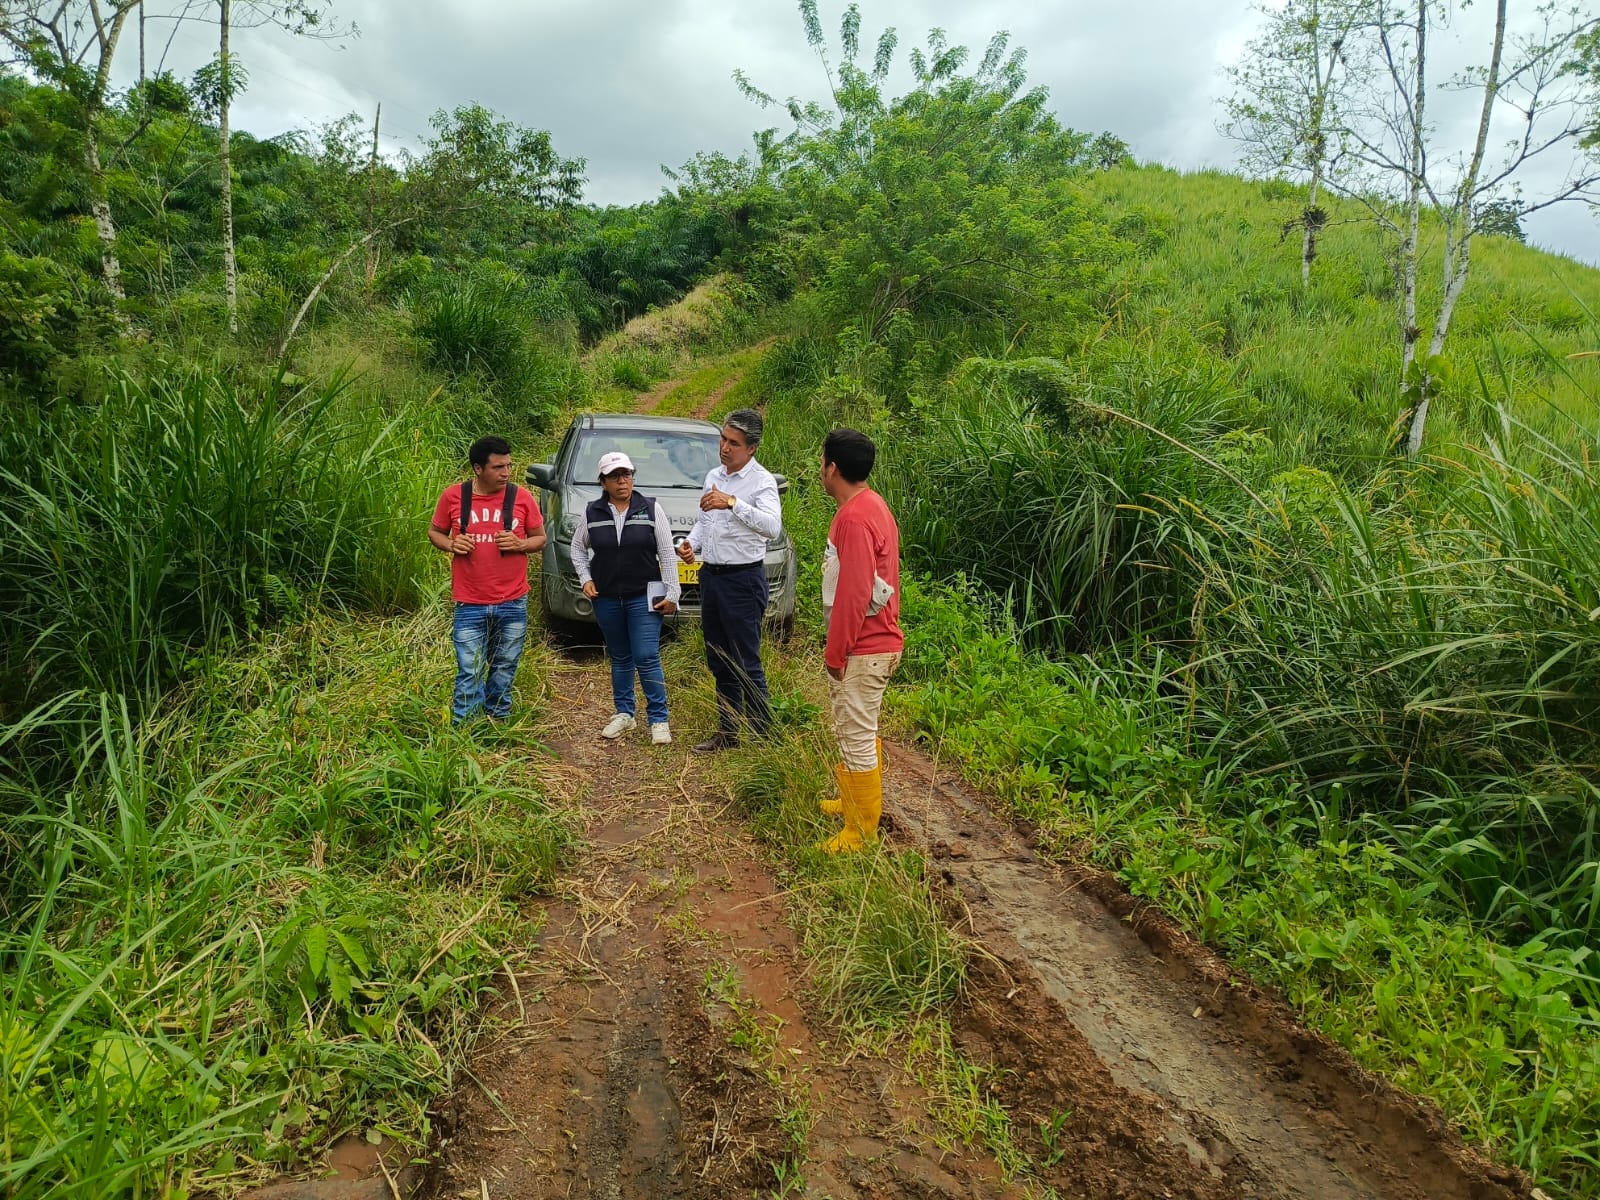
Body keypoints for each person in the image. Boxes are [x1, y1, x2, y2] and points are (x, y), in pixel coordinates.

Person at [816, 427, 902, 853]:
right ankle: (852, 802)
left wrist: (836, 652)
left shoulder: (853, 517)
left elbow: (853, 592)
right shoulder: (871, 505)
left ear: (832, 468)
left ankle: (860, 830)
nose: (820, 468)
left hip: (864, 646)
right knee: (856, 729)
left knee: (856, 733)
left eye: (822, 461)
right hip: (873, 641)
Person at [676, 408, 783, 752]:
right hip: (712, 577)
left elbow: (772, 526)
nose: (724, 447)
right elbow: (705, 522)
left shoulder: (761, 482)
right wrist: (691, 544)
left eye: (734, 443)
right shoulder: (713, 476)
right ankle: (729, 732)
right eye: (723, 439)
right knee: (719, 658)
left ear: (751, 448)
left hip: (743, 580)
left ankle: (764, 739)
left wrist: (733, 502)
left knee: (746, 661)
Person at [428, 435, 547, 725]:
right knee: (469, 668)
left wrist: (520, 544)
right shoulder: (453, 497)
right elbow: (435, 532)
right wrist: (451, 544)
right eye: (498, 467)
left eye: (509, 465)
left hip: (513, 600)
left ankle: (497, 721)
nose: (506, 473)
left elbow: (541, 538)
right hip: (470, 601)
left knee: (505, 665)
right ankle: (465, 727)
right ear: (478, 468)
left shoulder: (521, 497)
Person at [573, 451, 680, 744]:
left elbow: (666, 552)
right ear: (603, 482)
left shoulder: (650, 508)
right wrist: (585, 579)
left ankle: (658, 719)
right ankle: (624, 714)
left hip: (644, 597)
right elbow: (578, 548)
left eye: (626, 474)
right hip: (607, 597)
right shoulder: (592, 512)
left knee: (646, 655)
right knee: (620, 656)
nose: (622, 481)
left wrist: (673, 592)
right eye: (614, 476)